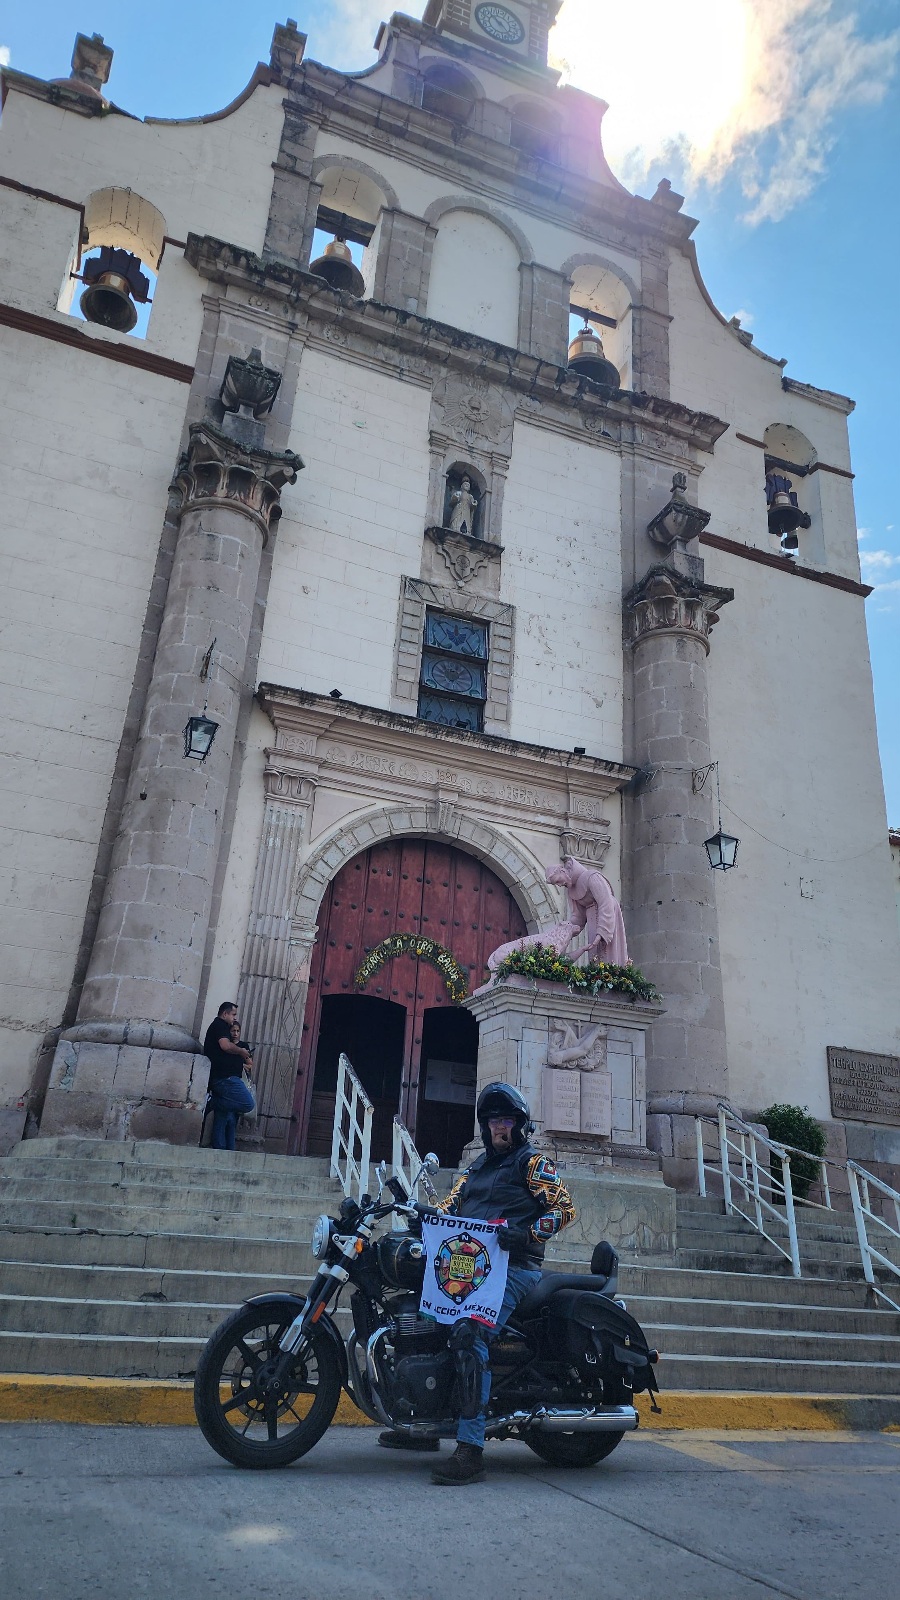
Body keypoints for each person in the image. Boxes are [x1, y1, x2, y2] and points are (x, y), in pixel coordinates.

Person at [378, 1082, 576, 1486]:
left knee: (470, 1332)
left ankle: (471, 1449)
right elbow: (448, 1209)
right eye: (490, 1121)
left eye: (504, 1121)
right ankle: (421, 1422)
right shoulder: (475, 1170)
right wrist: (424, 1217)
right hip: (467, 1267)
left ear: (518, 1126)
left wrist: (526, 1233)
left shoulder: (533, 1163)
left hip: (514, 1268)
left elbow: (564, 1209)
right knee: (425, 1321)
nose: (497, 1128)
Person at [202, 1002, 255, 1151]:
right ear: (225, 1014)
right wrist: (241, 1052)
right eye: (233, 1014)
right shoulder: (220, 1026)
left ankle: (220, 1148)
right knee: (247, 1104)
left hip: (224, 1077)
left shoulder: (221, 1027)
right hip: (225, 1078)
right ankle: (213, 1103)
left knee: (223, 1114)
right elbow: (225, 1046)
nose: (234, 1018)